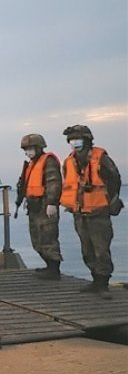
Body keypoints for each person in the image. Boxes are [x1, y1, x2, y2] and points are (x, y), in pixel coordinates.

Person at [59, 124, 122, 296]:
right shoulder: (68, 161)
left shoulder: (101, 158)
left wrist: (112, 200)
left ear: (87, 140)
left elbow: (114, 179)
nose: (74, 143)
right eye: (71, 140)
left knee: (101, 249)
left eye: (77, 139)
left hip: (99, 212)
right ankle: (95, 280)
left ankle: (103, 284)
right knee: (86, 249)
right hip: (79, 213)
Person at [16, 133, 63, 280]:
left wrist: (52, 203)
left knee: (48, 237)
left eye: (30, 148)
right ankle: (49, 265)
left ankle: (54, 269)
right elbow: (29, 183)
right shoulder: (32, 164)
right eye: (26, 149)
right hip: (34, 205)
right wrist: (25, 198)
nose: (28, 151)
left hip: (45, 206)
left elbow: (53, 182)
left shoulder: (48, 161)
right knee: (37, 238)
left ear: (38, 147)